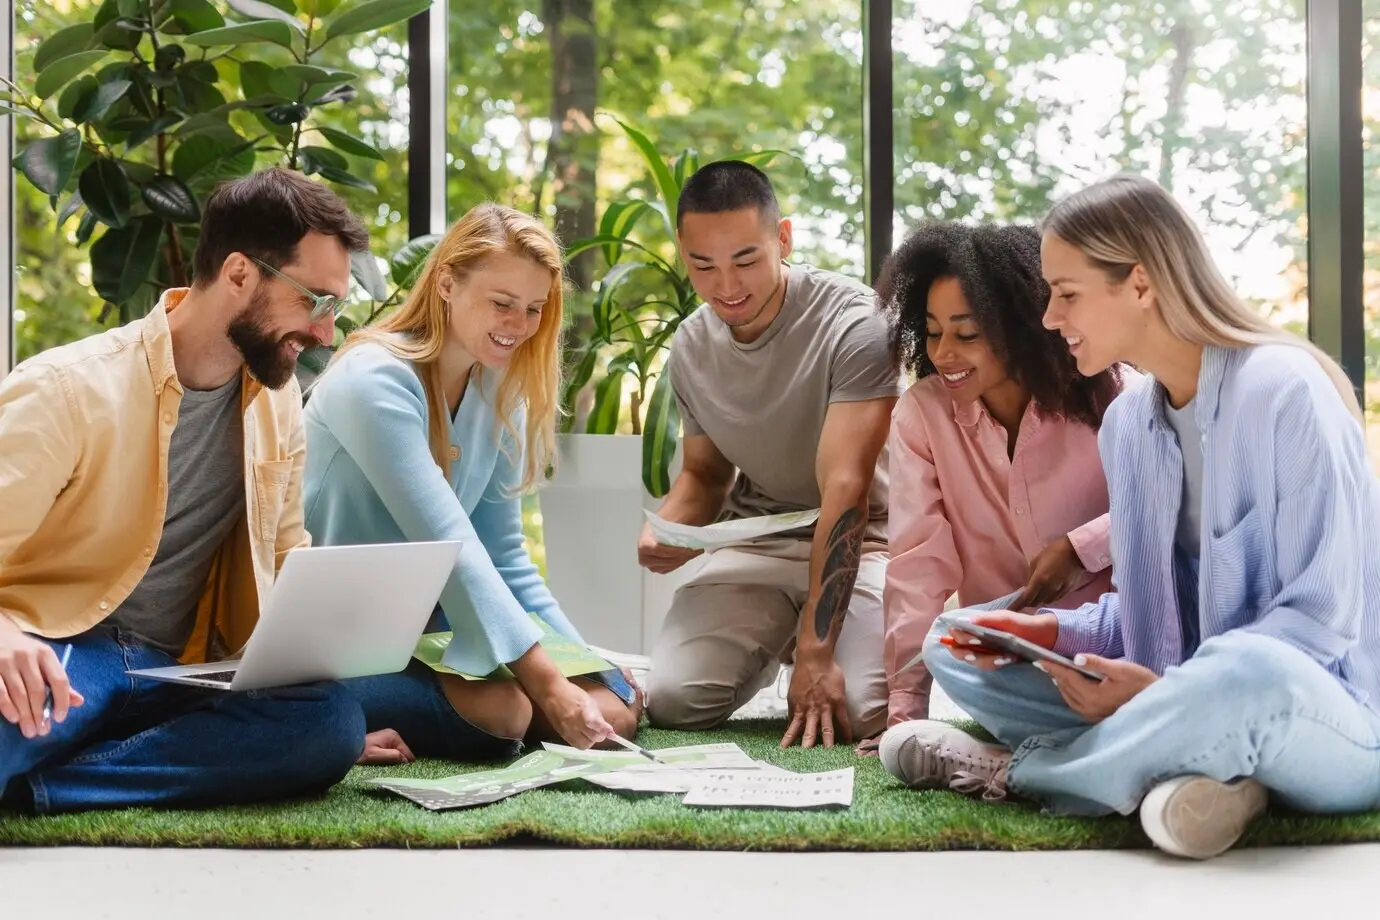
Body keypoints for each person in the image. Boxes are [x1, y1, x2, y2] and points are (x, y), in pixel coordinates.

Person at [878, 173, 1380, 860]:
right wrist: (1055, 631)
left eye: (1067, 294)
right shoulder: (1130, 426)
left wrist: (1163, 693)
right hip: (1190, 697)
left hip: (1329, 714)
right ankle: (1209, 776)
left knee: (1250, 672)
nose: (1049, 318)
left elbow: (1319, 624)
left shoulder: (1286, 390)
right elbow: (1152, 618)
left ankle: (1025, 773)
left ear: (1140, 283)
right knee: (956, 640)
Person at [0, 168, 370, 812]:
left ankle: (42, 785)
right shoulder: (67, 388)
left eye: (334, 308)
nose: (325, 332)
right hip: (63, 649)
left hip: (179, 671)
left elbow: (288, 562)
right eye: (315, 301)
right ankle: (90, 760)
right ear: (239, 274)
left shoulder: (278, 403)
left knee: (332, 722)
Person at [303, 203, 641, 765]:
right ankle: (320, 715)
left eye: (533, 309)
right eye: (501, 303)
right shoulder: (372, 380)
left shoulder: (498, 389)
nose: (518, 325)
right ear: (446, 284)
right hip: (341, 638)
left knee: (617, 704)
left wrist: (579, 657)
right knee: (506, 713)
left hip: (433, 628)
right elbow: (452, 543)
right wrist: (550, 685)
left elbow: (505, 558)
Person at [639, 160, 902, 749]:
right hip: (758, 543)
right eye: (703, 265)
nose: (726, 287)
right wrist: (670, 528)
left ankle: (801, 637)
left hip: (865, 543)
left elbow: (846, 489)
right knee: (675, 703)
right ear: (682, 252)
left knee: (863, 713)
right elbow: (705, 475)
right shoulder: (691, 344)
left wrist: (817, 651)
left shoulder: (858, 323)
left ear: (783, 239)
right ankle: (769, 642)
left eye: (746, 260)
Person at [866, 221, 1133, 750]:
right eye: (933, 332)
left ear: (1022, 327)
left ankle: (1044, 749)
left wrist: (1080, 550)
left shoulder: (1115, 393)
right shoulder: (922, 415)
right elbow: (918, 561)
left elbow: (1167, 512)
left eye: (967, 334)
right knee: (948, 645)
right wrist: (905, 711)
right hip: (1006, 661)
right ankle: (1092, 740)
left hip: (1118, 644)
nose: (943, 354)